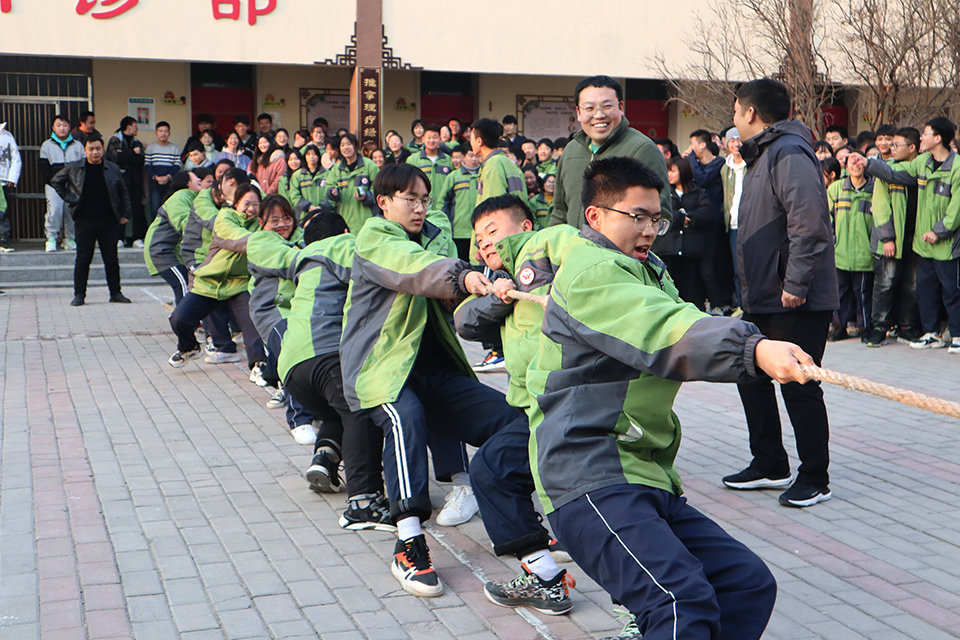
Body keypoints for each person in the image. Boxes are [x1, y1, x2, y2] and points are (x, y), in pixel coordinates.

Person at [527, 156, 796, 640]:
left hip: (644, 473)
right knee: (678, 600)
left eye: (657, 218)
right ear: (595, 216)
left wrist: (754, 339)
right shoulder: (592, 271)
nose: (650, 229)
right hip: (589, 471)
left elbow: (679, 316)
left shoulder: (646, 270)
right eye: (637, 217)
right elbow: (663, 326)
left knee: (744, 583)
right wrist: (751, 347)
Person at [339, 163, 516, 598]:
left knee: (514, 422)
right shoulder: (375, 237)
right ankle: (409, 540)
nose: (419, 208)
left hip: (435, 371)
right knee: (406, 420)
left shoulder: (432, 234)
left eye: (424, 200)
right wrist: (464, 276)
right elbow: (415, 267)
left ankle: (519, 528)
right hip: (382, 371)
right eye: (410, 200)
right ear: (384, 203)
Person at [453, 196, 581, 615]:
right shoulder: (501, 282)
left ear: (525, 226)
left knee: (599, 506)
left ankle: (642, 606)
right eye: (478, 238)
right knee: (493, 471)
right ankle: (545, 577)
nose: (485, 243)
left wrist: (533, 283)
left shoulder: (547, 248)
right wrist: (503, 296)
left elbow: (574, 245)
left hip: (571, 406)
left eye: (492, 231)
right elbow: (465, 322)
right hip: (535, 411)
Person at [722, 78, 838, 508]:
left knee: (800, 384)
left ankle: (815, 476)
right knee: (748, 372)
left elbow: (809, 224)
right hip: (764, 294)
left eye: (736, 111)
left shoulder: (788, 152)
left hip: (795, 297)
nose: (734, 120)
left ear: (750, 113)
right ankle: (770, 462)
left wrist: (795, 283)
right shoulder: (764, 154)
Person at [274, 210, 391, 520]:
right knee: (359, 411)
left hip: (292, 367)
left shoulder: (302, 260)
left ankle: (324, 458)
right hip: (326, 351)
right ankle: (363, 501)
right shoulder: (342, 244)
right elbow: (379, 268)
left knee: (335, 411)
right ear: (343, 230)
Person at [852, 117, 960, 353]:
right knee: (910, 287)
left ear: (938, 138)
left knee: (943, 290)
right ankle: (916, 332)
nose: (923, 137)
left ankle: (949, 333)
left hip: (939, 242)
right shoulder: (920, 163)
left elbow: (956, 208)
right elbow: (891, 175)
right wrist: (868, 163)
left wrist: (939, 230)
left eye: (926, 133)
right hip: (916, 242)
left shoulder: (953, 166)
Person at [167, 183, 267, 373]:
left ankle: (259, 366)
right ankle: (189, 347)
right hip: (210, 282)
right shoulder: (225, 217)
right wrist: (262, 240)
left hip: (240, 283)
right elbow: (235, 238)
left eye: (256, 204)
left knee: (251, 323)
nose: (251, 209)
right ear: (236, 203)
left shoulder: (262, 223)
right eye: (247, 204)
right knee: (178, 319)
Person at [549, 75, 671, 230]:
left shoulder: (642, 149)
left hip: (620, 254)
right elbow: (559, 212)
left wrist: (628, 253)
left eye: (607, 106)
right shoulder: (571, 150)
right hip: (572, 253)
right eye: (589, 108)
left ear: (621, 108)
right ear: (578, 113)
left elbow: (660, 215)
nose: (599, 115)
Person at [49, 134, 133, 306]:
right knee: (83, 258)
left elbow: (123, 191)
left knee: (111, 258)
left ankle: (115, 293)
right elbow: (55, 181)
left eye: (98, 149)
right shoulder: (74, 167)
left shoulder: (112, 168)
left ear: (103, 150)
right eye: (91, 149)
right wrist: (70, 198)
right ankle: (79, 294)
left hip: (108, 220)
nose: (95, 152)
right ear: (84, 150)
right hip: (84, 220)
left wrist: (126, 212)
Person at [862, 127, 922, 346]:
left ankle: (906, 326)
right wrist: (887, 237)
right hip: (893, 239)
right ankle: (879, 327)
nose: (891, 148)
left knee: (913, 286)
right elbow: (880, 206)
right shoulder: (886, 171)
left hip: (918, 238)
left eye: (897, 145)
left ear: (912, 147)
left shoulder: (923, 169)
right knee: (885, 284)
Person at [658, 157, 724, 312]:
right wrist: (682, 217)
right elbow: (662, 214)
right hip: (669, 249)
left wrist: (690, 218)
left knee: (692, 290)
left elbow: (707, 212)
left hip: (691, 250)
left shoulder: (698, 191)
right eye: (668, 170)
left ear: (683, 171)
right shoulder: (664, 193)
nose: (669, 174)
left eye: (673, 170)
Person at [827, 150, 875, 342]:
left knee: (863, 293)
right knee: (840, 293)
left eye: (859, 161)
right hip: (841, 252)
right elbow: (826, 219)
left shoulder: (874, 189)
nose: (855, 165)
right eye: (851, 161)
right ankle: (839, 327)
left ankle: (865, 328)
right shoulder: (836, 189)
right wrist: (832, 242)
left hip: (865, 254)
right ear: (845, 166)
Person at [143, 170, 202, 304]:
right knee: (183, 284)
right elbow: (185, 225)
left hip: (173, 252)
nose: (200, 180)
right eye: (196, 178)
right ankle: (184, 321)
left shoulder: (191, 197)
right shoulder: (180, 197)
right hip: (161, 251)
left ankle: (187, 319)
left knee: (188, 284)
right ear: (187, 183)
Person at [40, 114, 84, 252]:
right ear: (53, 127)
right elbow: (43, 166)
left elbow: (83, 165)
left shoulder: (78, 145)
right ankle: (51, 238)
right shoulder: (47, 145)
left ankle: (69, 238)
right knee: (54, 211)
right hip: (54, 185)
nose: (62, 128)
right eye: (58, 125)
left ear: (69, 127)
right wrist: (55, 181)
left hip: (73, 185)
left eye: (65, 125)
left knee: (71, 212)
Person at [106, 116, 146, 247]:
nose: (137, 128)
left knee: (137, 209)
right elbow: (115, 158)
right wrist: (131, 153)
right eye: (135, 125)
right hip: (120, 180)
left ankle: (137, 238)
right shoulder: (115, 140)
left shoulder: (136, 142)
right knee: (119, 207)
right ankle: (118, 237)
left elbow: (140, 160)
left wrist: (126, 155)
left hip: (135, 180)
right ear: (128, 126)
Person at [327, 133, 379, 233]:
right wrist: (332, 193)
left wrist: (366, 196)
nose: (346, 147)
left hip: (367, 219)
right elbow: (329, 187)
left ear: (355, 145)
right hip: (345, 219)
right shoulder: (336, 169)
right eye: (342, 145)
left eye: (349, 144)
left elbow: (379, 187)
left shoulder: (369, 165)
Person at [437, 143, 480, 260]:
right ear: (463, 157)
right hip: (458, 231)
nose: (474, 159)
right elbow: (443, 203)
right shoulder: (453, 177)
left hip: (480, 231)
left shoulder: (484, 175)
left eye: (477, 156)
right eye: (471, 156)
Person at [721, 127, 746, 307]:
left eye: (739, 140)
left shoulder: (752, 164)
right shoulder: (725, 168)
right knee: (737, 269)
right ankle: (740, 305)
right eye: (732, 141)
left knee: (750, 268)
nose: (736, 144)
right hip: (732, 225)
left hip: (750, 223)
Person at [145, 121, 182, 226]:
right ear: (156, 133)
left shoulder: (174, 148)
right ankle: (154, 231)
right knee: (154, 207)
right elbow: (147, 165)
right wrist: (156, 177)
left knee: (170, 207)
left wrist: (168, 177)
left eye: (165, 131)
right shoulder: (150, 148)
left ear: (169, 133)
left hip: (170, 182)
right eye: (160, 131)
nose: (163, 134)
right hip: (154, 182)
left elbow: (177, 165)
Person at [406, 124, 454, 203]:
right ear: (423, 139)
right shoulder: (412, 160)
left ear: (440, 140)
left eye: (435, 137)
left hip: (443, 207)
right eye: (429, 137)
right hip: (420, 205)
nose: (431, 140)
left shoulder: (448, 160)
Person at [289, 144, 329, 218]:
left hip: (324, 215)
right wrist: (308, 207)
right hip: (304, 216)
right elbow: (294, 196)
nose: (311, 157)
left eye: (314, 154)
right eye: (308, 154)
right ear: (305, 157)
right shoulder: (297, 175)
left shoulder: (327, 174)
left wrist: (321, 207)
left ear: (318, 156)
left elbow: (331, 194)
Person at [0, 120, 21, 252]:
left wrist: (12, 177)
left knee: (3, 212)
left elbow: (15, 157)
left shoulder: (7, 135)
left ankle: (3, 239)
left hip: (2, 180)